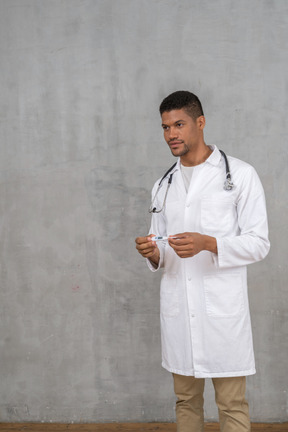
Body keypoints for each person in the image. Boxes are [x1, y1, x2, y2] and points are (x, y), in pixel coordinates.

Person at [135, 90, 270, 432]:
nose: (171, 135)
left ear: (200, 122)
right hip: (180, 309)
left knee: (232, 404)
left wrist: (208, 243)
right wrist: (154, 252)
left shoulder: (239, 175)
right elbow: (162, 246)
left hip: (221, 310)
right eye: (165, 127)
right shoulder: (163, 185)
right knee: (185, 401)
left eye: (179, 125)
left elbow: (258, 244)